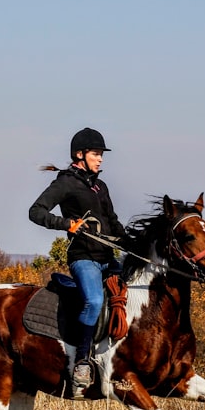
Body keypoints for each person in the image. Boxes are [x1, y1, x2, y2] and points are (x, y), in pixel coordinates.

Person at [29, 127, 126, 392]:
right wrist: (66, 224)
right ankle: (81, 361)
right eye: (96, 153)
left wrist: (130, 240)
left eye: (101, 154)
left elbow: (113, 222)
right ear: (80, 154)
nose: (101, 159)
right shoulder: (65, 183)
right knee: (94, 301)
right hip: (83, 258)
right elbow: (35, 212)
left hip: (108, 257)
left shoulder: (100, 185)